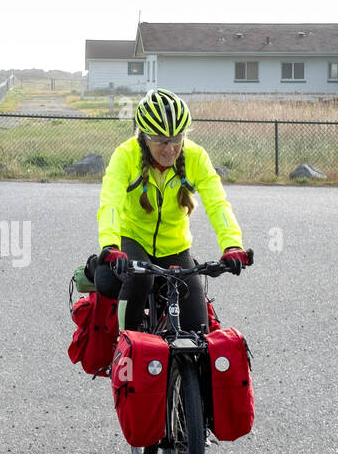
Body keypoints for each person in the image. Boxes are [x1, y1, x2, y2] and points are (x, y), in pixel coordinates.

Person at [89, 88, 252, 333]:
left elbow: (217, 203)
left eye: (177, 139)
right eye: (161, 141)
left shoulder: (196, 157)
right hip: (133, 240)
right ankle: (124, 343)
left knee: (199, 330)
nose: (170, 149)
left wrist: (232, 245)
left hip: (175, 248)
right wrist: (111, 245)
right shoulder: (126, 155)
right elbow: (110, 202)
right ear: (144, 137)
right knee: (140, 279)